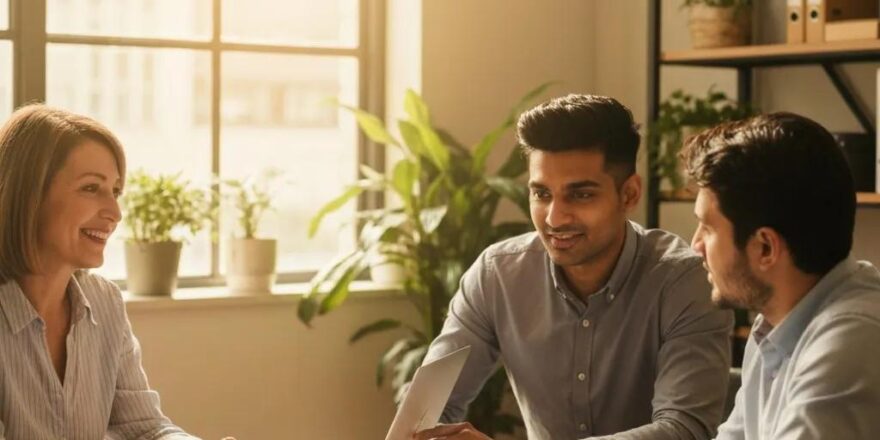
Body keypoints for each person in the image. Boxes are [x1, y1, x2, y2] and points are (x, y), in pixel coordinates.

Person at [414, 94, 733, 440]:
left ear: (629, 194)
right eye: (541, 194)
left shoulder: (683, 281)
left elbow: (683, 430)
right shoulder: (497, 276)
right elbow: (426, 411)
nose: (554, 218)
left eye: (580, 195)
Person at [0, 104, 197, 439]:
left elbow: (144, 427)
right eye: (91, 188)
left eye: (116, 192)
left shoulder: (104, 301)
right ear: (30, 194)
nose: (115, 212)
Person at [681, 112, 880, 439]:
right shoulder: (774, 325)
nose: (695, 245)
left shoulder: (850, 343)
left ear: (765, 248)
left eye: (708, 227)